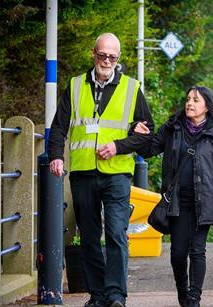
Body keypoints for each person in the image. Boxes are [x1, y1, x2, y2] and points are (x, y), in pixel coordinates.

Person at [48, 32, 154, 307]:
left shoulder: (131, 88)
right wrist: (56, 156)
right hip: (83, 172)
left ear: (118, 59)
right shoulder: (74, 86)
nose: (107, 60)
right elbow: (59, 126)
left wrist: (118, 146)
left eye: (112, 57)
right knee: (89, 236)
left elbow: (147, 133)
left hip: (117, 173)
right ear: (93, 54)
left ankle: (117, 295)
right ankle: (97, 295)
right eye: (102, 55)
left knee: (117, 233)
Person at [134, 86, 213, 307]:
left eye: (196, 100)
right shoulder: (173, 128)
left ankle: (194, 299)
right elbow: (149, 150)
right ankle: (183, 294)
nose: (190, 104)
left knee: (197, 251)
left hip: (204, 202)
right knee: (177, 254)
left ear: (207, 106)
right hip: (177, 203)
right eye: (188, 99)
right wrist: (137, 133)